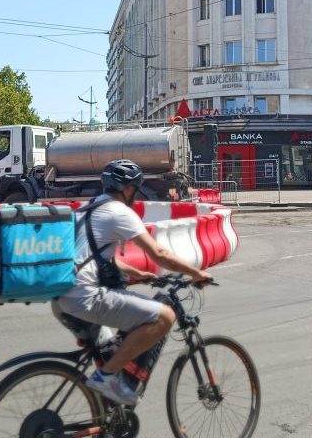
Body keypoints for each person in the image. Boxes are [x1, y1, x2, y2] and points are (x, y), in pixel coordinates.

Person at [53, 159, 212, 405]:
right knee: (164, 317)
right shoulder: (119, 212)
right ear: (128, 189)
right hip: (85, 297)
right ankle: (105, 378)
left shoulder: (88, 208)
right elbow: (159, 254)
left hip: (62, 298)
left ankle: (106, 409)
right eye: (135, 190)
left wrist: (139, 274)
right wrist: (196, 273)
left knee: (111, 350)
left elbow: (98, 259)